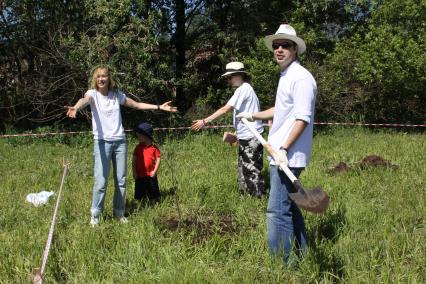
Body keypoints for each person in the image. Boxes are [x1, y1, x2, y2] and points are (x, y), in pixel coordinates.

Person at [237, 24, 317, 264]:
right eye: (276, 45)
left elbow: (303, 117)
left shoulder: (301, 78)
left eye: (285, 45)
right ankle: (301, 256)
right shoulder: (287, 76)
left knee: (277, 211)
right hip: (280, 153)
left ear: (295, 49)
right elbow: (281, 110)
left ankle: (281, 264)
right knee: (291, 208)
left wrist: (283, 149)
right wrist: (253, 115)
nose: (279, 49)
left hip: (287, 156)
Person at [65, 66, 177, 227]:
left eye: (104, 76)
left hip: (120, 142)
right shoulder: (92, 94)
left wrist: (159, 107)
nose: (101, 79)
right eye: (98, 77)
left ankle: (119, 212)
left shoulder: (117, 95)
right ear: (95, 80)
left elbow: (137, 105)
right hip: (102, 143)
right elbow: (84, 100)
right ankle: (95, 215)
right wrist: (75, 107)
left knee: (121, 181)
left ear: (109, 78)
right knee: (101, 181)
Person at [191, 62, 265, 197]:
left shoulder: (244, 89)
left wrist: (205, 121)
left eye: (230, 77)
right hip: (246, 136)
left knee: (251, 170)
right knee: (243, 169)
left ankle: (258, 198)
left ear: (239, 75)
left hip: (251, 137)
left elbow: (226, 109)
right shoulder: (244, 89)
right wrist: (237, 134)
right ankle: (248, 197)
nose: (228, 81)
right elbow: (242, 115)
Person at [132, 122, 161, 203]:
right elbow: (134, 160)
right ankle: (140, 204)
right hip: (140, 175)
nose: (137, 137)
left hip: (151, 175)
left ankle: (154, 202)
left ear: (146, 136)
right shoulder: (138, 148)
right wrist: (134, 172)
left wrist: (155, 171)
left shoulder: (154, 148)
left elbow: (158, 159)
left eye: (139, 135)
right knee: (139, 191)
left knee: (153, 190)